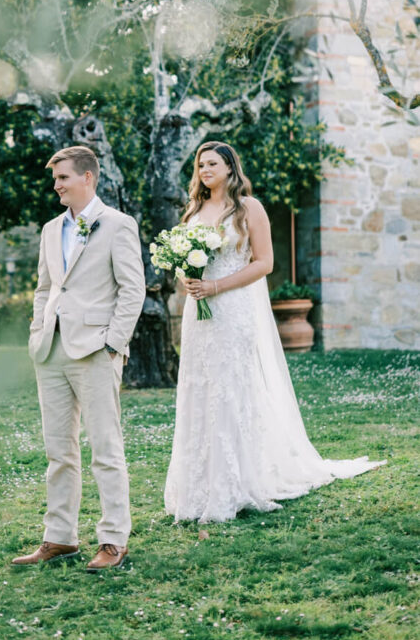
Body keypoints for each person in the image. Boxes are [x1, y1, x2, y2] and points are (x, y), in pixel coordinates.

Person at [164, 141, 385, 524]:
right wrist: (188, 279)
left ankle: (236, 482)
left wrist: (217, 287)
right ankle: (198, 487)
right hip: (197, 313)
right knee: (200, 387)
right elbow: (185, 259)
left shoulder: (249, 208)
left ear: (231, 168)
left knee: (231, 388)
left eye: (212, 163)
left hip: (232, 309)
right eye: (200, 165)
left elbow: (264, 263)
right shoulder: (194, 210)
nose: (204, 170)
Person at [13, 145, 146, 570]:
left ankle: (113, 540)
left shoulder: (118, 225)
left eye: (63, 178)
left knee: (105, 448)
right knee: (58, 450)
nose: (56, 186)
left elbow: (133, 289)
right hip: (50, 350)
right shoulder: (52, 229)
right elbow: (44, 288)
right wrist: (38, 332)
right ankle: (60, 537)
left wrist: (113, 343)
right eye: (55, 179)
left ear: (88, 177)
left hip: (95, 350)